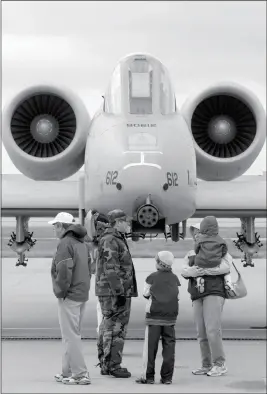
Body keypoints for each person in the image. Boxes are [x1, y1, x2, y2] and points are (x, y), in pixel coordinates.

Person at [182, 219, 233, 377]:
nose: (197, 235)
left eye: (199, 231)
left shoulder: (220, 250)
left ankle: (219, 364)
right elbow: (184, 271)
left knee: (212, 329)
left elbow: (226, 267)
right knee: (201, 332)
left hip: (214, 292)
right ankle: (206, 364)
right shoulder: (191, 253)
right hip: (197, 294)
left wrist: (202, 271)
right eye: (195, 232)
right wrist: (192, 272)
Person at [49, 212, 91, 385]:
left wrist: (60, 292)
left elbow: (64, 271)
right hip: (81, 293)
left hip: (69, 294)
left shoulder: (65, 244)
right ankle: (67, 371)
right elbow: (89, 267)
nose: (54, 231)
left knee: (71, 335)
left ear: (61, 226)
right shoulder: (82, 243)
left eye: (55, 226)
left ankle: (80, 373)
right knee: (71, 334)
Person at [95, 209, 138, 378]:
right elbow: (111, 268)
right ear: (118, 222)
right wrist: (119, 293)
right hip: (114, 292)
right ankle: (113, 364)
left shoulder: (113, 239)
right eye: (125, 221)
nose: (128, 225)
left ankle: (106, 363)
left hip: (110, 291)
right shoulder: (111, 240)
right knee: (115, 328)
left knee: (107, 326)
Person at [136, 251, 180, 385]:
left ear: (159, 263)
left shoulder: (151, 277)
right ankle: (167, 377)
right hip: (170, 317)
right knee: (169, 347)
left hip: (154, 316)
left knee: (150, 348)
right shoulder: (175, 278)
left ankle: (148, 376)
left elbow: (145, 293)